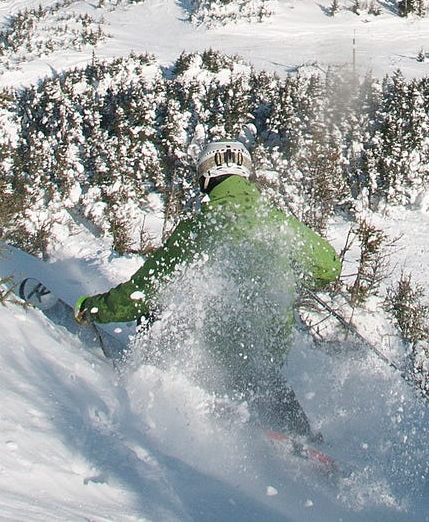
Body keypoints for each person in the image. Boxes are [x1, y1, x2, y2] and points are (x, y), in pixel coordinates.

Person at [75, 139, 341, 437]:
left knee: (166, 307)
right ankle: (301, 436)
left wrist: (94, 309)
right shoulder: (277, 223)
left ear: (206, 177)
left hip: (216, 359)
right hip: (265, 358)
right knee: (261, 375)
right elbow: (329, 267)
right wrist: (295, 271)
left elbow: (142, 293)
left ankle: (163, 378)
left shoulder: (198, 229)